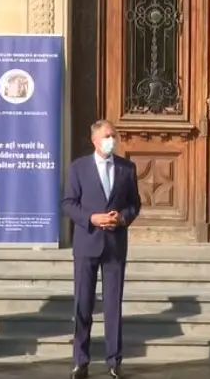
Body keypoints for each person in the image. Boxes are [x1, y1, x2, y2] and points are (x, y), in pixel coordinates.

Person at [62, 120, 141, 379]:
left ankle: (113, 361)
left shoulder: (126, 168)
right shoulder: (78, 168)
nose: (112, 140)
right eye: (107, 136)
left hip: (115, 244)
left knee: (112, 305)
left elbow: (134, 204)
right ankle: (81, 360)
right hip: (87, 242)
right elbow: (69, 203)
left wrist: (123, 218)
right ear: (94, 140)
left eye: (113, 136)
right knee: (83, 304)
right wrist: (91, 218)